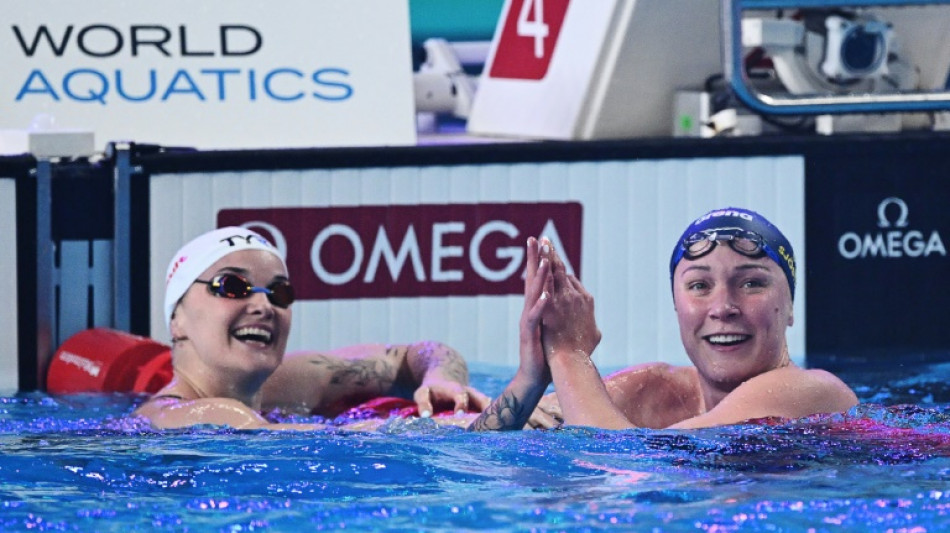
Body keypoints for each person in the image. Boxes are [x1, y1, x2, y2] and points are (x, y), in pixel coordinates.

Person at [470, 207, 858, 431]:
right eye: (700, 286)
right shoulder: (653, 389)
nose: (722, 307)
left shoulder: (812, 392)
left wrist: (569, 355)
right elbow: (476, 454)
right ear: (676, 305)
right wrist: (531, 379)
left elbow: (621, 461)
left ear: (790, 305)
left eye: (751, 283)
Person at [134, 226, 491, 430]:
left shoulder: (297, 380)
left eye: (279, 292)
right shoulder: (175, 417)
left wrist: (442, 381)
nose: (263, 305)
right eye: (232, 287)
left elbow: (423, 352)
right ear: (176, 319)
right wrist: (480, 424)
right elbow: (327, 443)